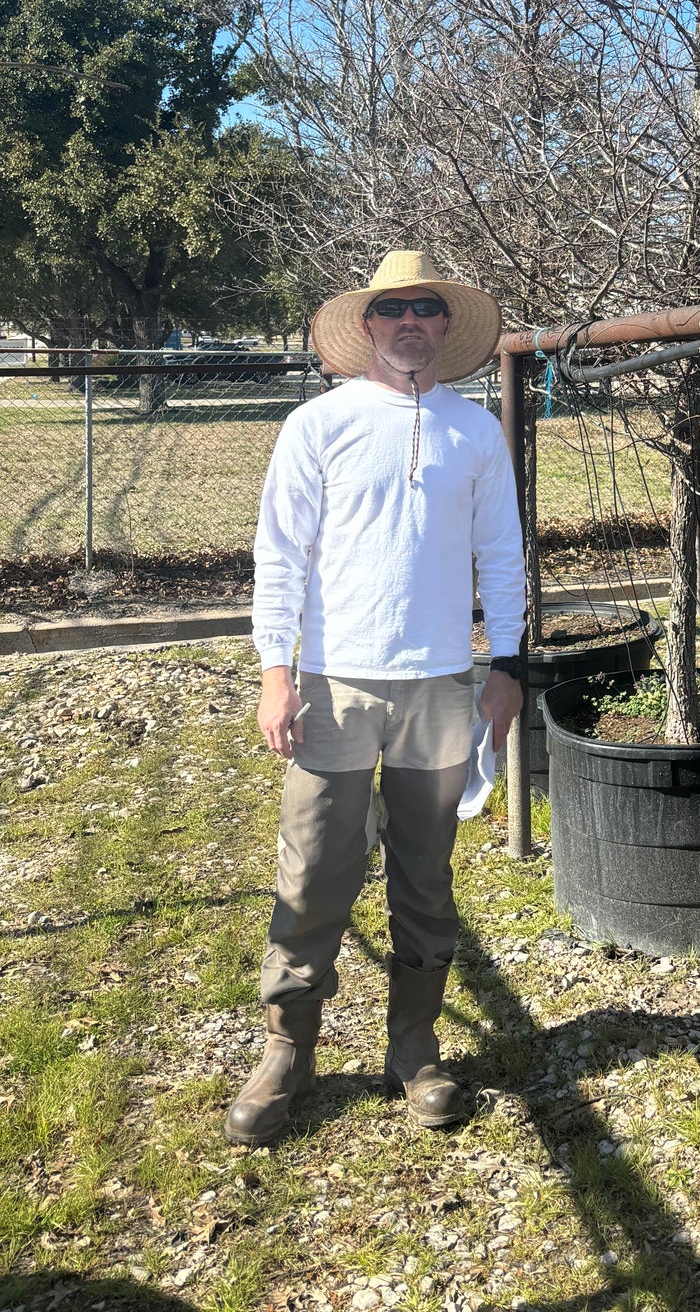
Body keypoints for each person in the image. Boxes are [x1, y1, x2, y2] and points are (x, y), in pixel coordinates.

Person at [224, 250, 526, 1147]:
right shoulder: (318, 424)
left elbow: (502, 555)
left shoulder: (476, 432)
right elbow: (279, 554)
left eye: (426, 309)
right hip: (334, 680)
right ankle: (287, 1046)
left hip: (439, 682)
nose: (409, 322)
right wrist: (276, 669)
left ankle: (416, 1046)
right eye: (392, 308)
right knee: (316, 868)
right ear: (367, 324)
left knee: (425, 876)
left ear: (444, 325)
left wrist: (507, 664)